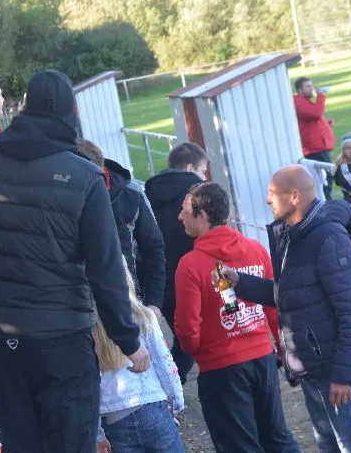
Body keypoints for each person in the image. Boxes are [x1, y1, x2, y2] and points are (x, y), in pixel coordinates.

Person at [0, 69, 150, 451]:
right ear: (71, 114)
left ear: (24, 108)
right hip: (62, 342)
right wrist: (128, 340)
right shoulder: (86, 177)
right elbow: (106, 271)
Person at [217, 165, 351, 452]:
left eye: (272, 193)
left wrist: (345, 375)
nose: (267, 200)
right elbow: (290, 295)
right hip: (312, 368)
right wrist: (240, 282)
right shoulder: (292, 235)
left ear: (294, 196)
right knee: (329, 445)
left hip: (334, 369)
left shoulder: (328, 237)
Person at [175, 183, 299, 453]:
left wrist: (198, 351)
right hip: (262, 358)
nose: (180, 217)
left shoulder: (190, 265)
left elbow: (187, 327)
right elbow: (274, 306)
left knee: (238, 444)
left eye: (185, 211)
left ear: (202, 216)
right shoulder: (256, 249)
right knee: (276, 436)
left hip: (221, 365)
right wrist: (280, 349)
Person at [96, 260, 185, 453]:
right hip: (152, 405)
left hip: (113, 421)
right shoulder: (143, 317)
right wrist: (176, 400)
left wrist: (98, 434)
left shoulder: (90, 328)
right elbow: (164, 362)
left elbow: (89, 384)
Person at [78, 139, 166, 314]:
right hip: (82, 305)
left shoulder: (132, 193)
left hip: (128, 301)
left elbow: (154, 248)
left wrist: (154, 302)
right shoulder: (66, 193)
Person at [145, 142, 209, 384]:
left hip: (159, 281)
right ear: (190, 168)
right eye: (203, 170)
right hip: (190, 279)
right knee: (191, 342)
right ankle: (167, 386)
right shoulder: (198, 195)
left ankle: (166, 384)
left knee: (184, 340)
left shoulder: (149, 192)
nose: (204, 176)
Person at [293, 76, 334, 199]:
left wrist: (326, 124)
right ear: (300, 90)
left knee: (326, 178)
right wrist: (321, 96)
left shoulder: (305, 102)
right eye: (308, 86)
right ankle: (327, 204)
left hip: (319, 148)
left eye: (311, 86)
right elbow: (316, 113)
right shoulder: (298, 102)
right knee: (324, 180)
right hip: (315, 150)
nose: (312, 89)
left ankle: (327, 202)